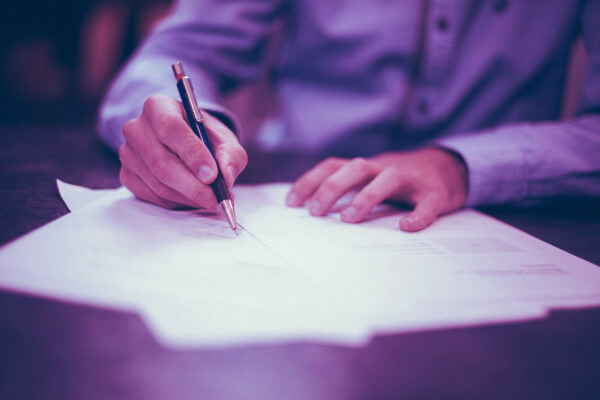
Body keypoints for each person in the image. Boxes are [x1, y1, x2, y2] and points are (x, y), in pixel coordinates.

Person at [98, 0, 600, 232]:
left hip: (511, 215)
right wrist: (184, 128)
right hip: (297, 197)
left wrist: (461, 164)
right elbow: (178, 51)